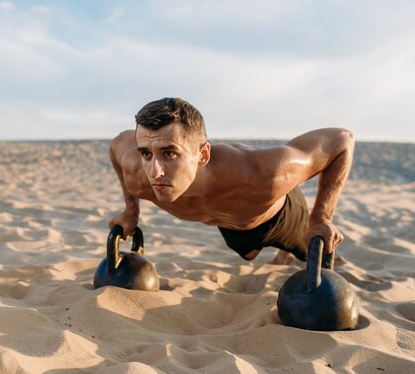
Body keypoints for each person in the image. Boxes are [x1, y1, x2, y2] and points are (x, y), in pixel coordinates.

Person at [108, 97, 354, 264]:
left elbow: (342, 140)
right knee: (249, 255)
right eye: (146, 153)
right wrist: (131, 211)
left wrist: (321, 217)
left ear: (202, 154)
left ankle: (286, 250)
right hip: (231, 223)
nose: (155, 172)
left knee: (315, 256)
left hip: (278, 215)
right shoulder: (136, 171)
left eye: (170, 153)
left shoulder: (263, 174)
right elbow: (117, 144)